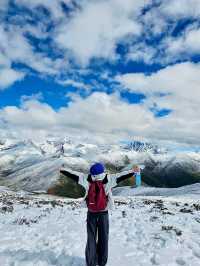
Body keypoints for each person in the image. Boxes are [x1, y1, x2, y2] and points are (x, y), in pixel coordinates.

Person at [60, 163, 139, 266]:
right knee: (103, 238)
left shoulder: (86, 178)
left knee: (91, 238)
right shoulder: (109, 179)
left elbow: (73, 174)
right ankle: (101, 262)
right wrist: (133, 171)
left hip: (91, 213)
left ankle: (91, 262)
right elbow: (122, 176)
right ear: (102, 171)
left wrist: (62, 170)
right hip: (103, 213)